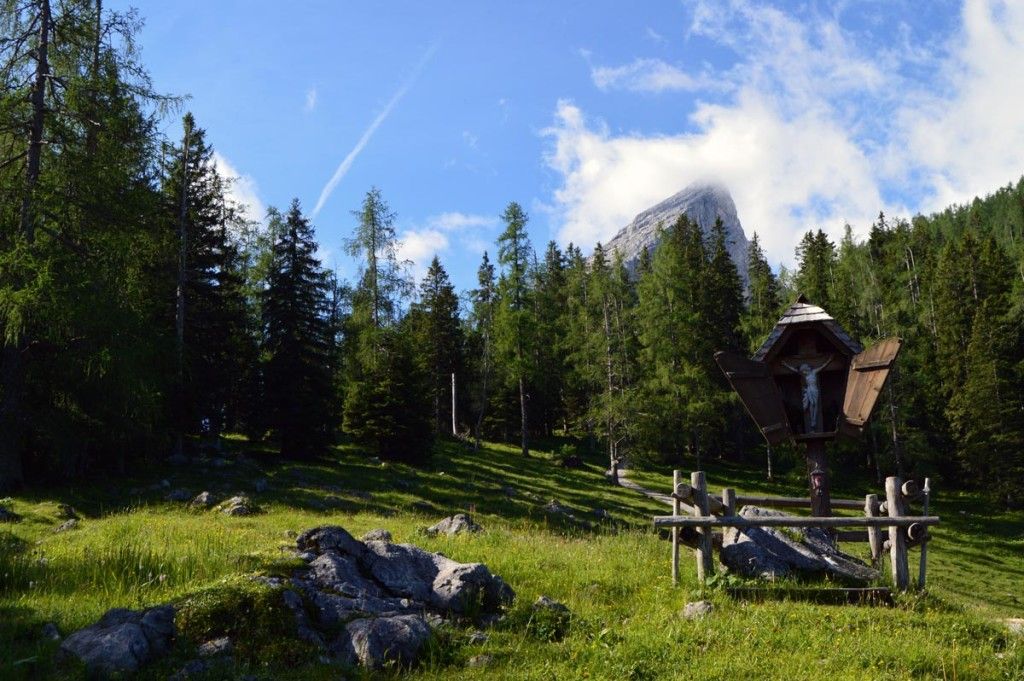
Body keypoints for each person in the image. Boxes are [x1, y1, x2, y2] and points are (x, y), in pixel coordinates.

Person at [782, 355, 832, 432]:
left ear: (808, 369)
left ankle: (814, 421)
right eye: (803, 371)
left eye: (805, 370)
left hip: (815, 390)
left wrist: (829, 360)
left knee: (815, 405)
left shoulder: (814, 372)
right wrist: (786, 365)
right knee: (812, 405)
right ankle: (813, 422)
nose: (804, 371)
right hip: (809, 390)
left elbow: (823, 366)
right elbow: (794, 370)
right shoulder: (805, 375)